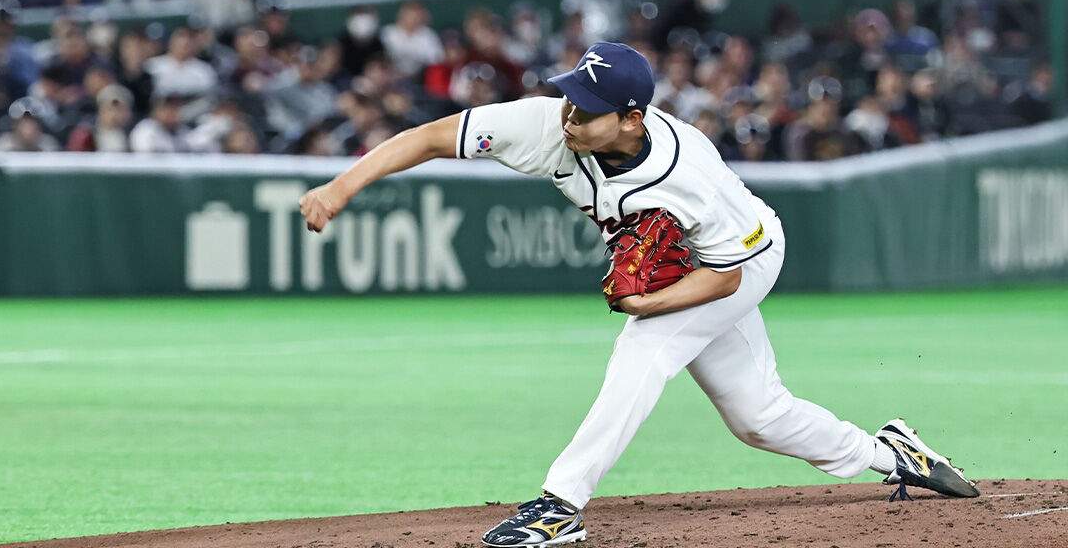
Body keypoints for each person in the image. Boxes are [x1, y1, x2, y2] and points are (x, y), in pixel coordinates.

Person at [299, 42, 979, 547]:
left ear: (630, 118)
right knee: (759, 417)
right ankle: (893, 453)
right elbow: (429, 137)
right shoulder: (547, 125)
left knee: (644, 351)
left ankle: (560, 505)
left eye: (587, 110)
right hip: (709, 268)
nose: (569, 115)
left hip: (739, 259)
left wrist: (648, 305)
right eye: (568, 97)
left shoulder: (690, 174)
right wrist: (340, 188)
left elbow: (726, 277)